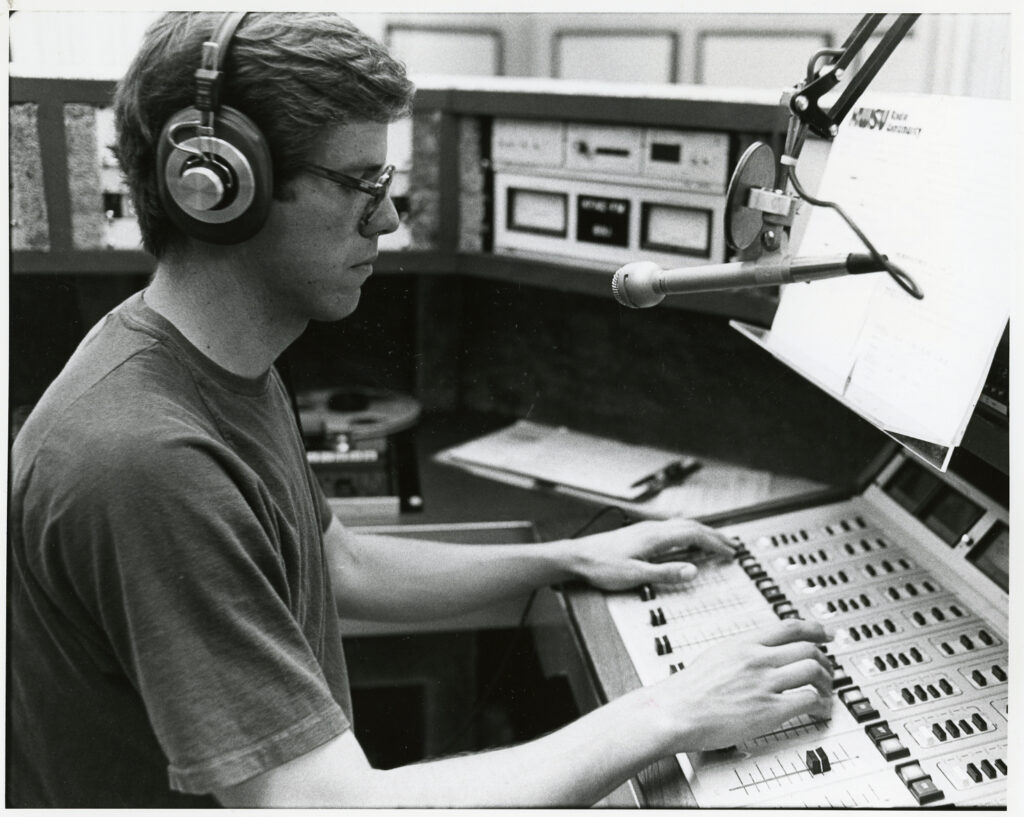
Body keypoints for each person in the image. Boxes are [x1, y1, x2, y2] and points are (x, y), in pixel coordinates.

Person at [6, 11, 833, 808]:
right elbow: (326, 810)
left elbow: (338, 566)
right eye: (360, 184)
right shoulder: (146, 459)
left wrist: (565, 562)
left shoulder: (218, 363)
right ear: (220, 188)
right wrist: (671, 709)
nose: (391, 219)